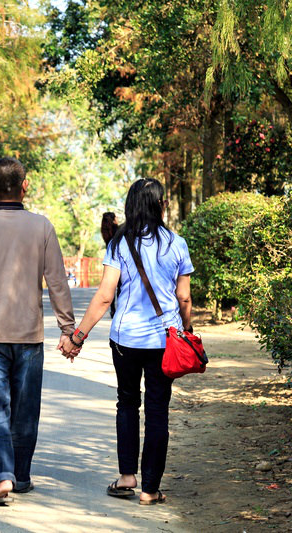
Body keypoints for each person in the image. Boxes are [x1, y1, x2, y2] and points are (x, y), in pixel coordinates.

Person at [0, 156, 79, 505]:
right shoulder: (42, 227)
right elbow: (57, 281)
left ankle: (1, 477)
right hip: (28, 336)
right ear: (25, 186)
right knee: (24, 410)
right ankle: (20, 476)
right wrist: (67, 328)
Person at [66, 178, 193, 505]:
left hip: (125, 340)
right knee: (157, 411)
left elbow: (105, 296)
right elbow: (184, 298)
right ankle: (150, 490)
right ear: (161, 205)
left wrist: (77, 337)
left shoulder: (120, 244)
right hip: (165, 341)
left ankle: (126, 478)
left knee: (127, 403)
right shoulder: (176, 244)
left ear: (131, 205)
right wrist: (186, 330)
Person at [101, 212, 119, 317]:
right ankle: (119, 307)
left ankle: (112, 309)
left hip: (109, 257)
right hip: (118, 256)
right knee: (120, 287)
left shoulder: (105, 231)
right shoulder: (118, 230)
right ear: (113, 219)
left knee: (111, 285)